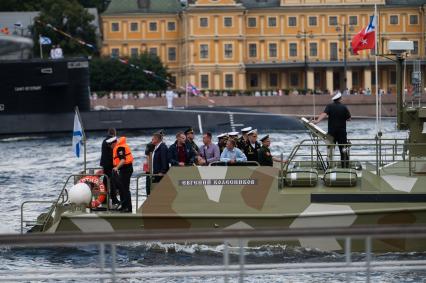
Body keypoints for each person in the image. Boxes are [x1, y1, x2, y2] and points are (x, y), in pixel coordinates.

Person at [313, 92, 351, 168]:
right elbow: (349, 118)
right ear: (340, 99)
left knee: (330, 149)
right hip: (342, 133)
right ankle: (344, 166)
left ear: (334, 100)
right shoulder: (344, 107)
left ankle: (330, 166)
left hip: (331, 132)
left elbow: (324, 114)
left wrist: (317, 121)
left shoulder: (329, 106)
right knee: (343, 149)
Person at [108, 136, 134, 212]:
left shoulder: (120, 148)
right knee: (122, 189)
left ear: (114, 143)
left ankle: (128, 208)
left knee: (125, 189)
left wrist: (116, 168)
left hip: (126, 170)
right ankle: (124, 206)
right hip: (123, 170)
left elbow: (123, 160)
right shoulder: (119, 147)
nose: (110, 147)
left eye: (110, 145)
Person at [99, 128, 117, 204]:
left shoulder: (104, 140)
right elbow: (112, 153)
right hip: (110, 164)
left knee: (105, 181)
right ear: (114, 133)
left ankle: (103, 199)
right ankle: (114, 199)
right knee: (113, 181)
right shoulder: (112, 140)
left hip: (105, 164)